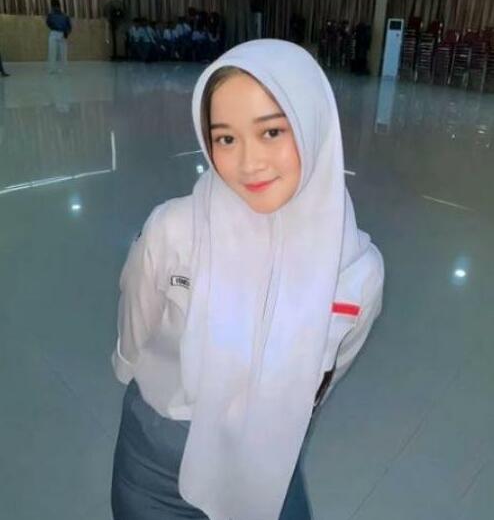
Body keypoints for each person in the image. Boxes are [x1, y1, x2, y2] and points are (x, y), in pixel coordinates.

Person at [111, 39, 385, 520]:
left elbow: (320, 383)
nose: (248, 163)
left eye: (272, 131)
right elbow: (134, 328)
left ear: (312, 125)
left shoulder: (356, 273)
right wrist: (128, 368)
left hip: (264, 459)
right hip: (155, 454)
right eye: (226, 139)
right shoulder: (175, 230)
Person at [46, 0, 71, 73]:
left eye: (54, 6)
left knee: (60, 53)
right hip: (56, 33)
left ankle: (57, 69)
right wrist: (66, 32)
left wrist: (66, 33)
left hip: (59, 33)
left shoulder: (63, 15)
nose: (54, 8)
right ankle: (54, 69)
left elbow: (69, 26)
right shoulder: (52, 15)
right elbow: (48, 23)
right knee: (55, 52)